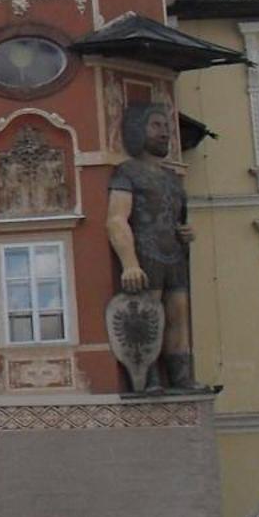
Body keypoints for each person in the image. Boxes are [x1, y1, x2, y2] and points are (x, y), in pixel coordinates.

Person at [107, 101, 199, 391]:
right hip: (146, 253)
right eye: (156, 125)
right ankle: (149, 377)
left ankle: (181, 376)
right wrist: (130, 263)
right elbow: (116, 218)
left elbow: (178, 218)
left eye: (166, 127)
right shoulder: (127, 172)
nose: (164, 133)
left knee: (178, 316)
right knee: (149, 316)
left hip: (174, 255)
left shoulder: (172, 178)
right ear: (138, 130)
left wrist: (186, 234)